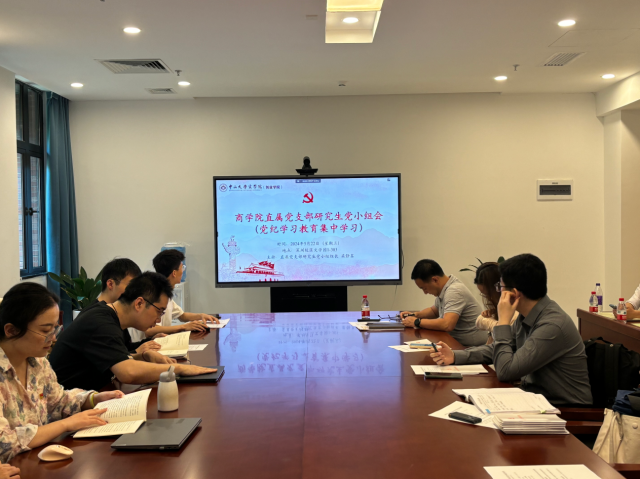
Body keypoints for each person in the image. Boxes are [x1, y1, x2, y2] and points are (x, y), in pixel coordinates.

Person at [431, 254, 592, 406]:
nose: (498, 291)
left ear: (513, 294)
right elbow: (496, 349)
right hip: (537, 401)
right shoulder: (527, 315)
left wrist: (503, 321)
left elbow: (506, 371)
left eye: (499, 287)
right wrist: (455, 356)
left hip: (567, 411)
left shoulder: (552, 325)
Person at [0, 283, 125, 463]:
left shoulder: (38, 362)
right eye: (45, 330)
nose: (53, 338)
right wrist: (65, 424)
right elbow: (4, 442)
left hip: (37, 459)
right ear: (11, 330)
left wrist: (93, 399)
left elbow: (57, 401)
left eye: (55, 329)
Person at [49, 272, 216, 391]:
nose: (159, 320)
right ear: (139, 303)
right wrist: (177, 369)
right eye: (159, 311)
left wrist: (145, 356)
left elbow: (117, 356)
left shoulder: (112, 318)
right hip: (69, 408)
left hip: (97, 394)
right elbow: (128, 372)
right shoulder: (100, 322)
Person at [127, 250, 218, 342]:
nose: (183, 271)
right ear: (174, 273)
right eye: (182, 268)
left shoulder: (165, 293)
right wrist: (183, 327)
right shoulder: (154, 294)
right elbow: (150, 330)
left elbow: (182, 315)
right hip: (142, 345)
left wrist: (201, 316)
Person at [80, 258, 162, 355]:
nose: (136, 292)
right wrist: (137, 352)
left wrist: (151, 342)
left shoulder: (116, 312)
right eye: (131, 286)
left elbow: (125, 347)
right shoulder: (97, 317)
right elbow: (111, 357)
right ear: (111, 284)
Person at [400, 259, 488, 347]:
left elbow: (447, 324)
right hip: (455, 341)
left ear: (435, 280)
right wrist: (415, 315)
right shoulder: (445, 288)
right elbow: (434, 311)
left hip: (469, 347)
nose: (425, 292)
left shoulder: (454, 291)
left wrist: (417, 322)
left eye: (424, 288)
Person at [473, 262, 518, 344]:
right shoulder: (499, 309)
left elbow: (508, 335)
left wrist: (490, 322)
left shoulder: (516, 312)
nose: (488, 298)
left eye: (488, 294)